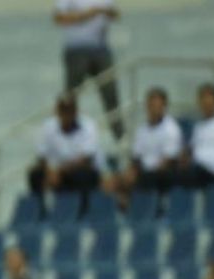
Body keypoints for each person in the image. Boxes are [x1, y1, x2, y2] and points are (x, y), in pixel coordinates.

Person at [53, 2, 123, 141]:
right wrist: (86, 15)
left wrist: (106, 13)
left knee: (110, 95)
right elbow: (59, 18)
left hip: (101, 48)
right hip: (76, 48)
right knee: (70, 98)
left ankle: (120, 137)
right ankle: (65, 136)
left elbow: (116, 15)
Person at [105, 87, 183, 206]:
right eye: (151, 105)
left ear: (164, 106)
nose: (154, 109)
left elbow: (168, 160)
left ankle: (136, 210)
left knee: (141, 180)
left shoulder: (171, 129)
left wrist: (139, 174)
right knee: (111, 182)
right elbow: (137, 158)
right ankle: (116, 215)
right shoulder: (142, 130)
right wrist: (131, 172)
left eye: (157, 105)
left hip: (161, 173)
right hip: (143, 171)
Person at [28, 93, 105, 196]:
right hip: (56, 171)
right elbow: (42, 156)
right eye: (63, 110)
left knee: (82, 175)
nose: (67, 114)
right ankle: (40, 208)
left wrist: (60, 172)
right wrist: (49, 172)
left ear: (75, 111)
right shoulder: (48, 126)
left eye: (69, 110)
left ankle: (82, 208)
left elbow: (86, 159)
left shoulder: (89, 125)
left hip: (81, 170)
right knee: (35, 174)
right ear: (57, 111)